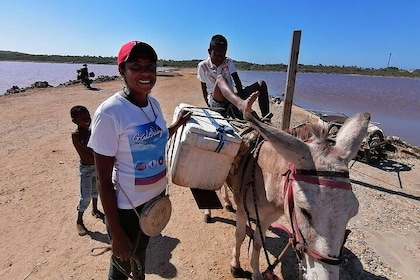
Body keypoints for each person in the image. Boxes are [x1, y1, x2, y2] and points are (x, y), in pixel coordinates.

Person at [87, 40, 192, 280]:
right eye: (136, 66)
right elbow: (102, 180)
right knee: (122, 265)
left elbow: (158, 138)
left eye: (150, 66)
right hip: (127, 209)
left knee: (141, 252)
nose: (145, 73)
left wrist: (177, 125)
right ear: (122, 70)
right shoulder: (110, 112)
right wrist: (116, 232)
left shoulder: (153, 104)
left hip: (153, 201)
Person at [197, 34, 271, 120]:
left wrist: (241, 95)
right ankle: (241, 105)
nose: (220, 58)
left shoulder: (228, 61)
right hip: (216, 101)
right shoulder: (203, 66)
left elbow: (237, 81)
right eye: (216, 54)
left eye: (222, 54)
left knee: (261, 84)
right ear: (209, 51)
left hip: (232, 98)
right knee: (220, 78)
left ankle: (266, 117)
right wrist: (209, 106)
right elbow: (203, 88)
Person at [70, 105, 104, 236]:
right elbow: (90, 151)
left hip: (97, 166)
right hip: (86, 169)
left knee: (96, 191)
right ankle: (79, 220)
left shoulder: (91, 131)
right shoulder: (76, 136)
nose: (87, 120)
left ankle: (95, 210)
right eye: (82, 119)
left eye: (88, 117)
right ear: (74, 121)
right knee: (86, 196)